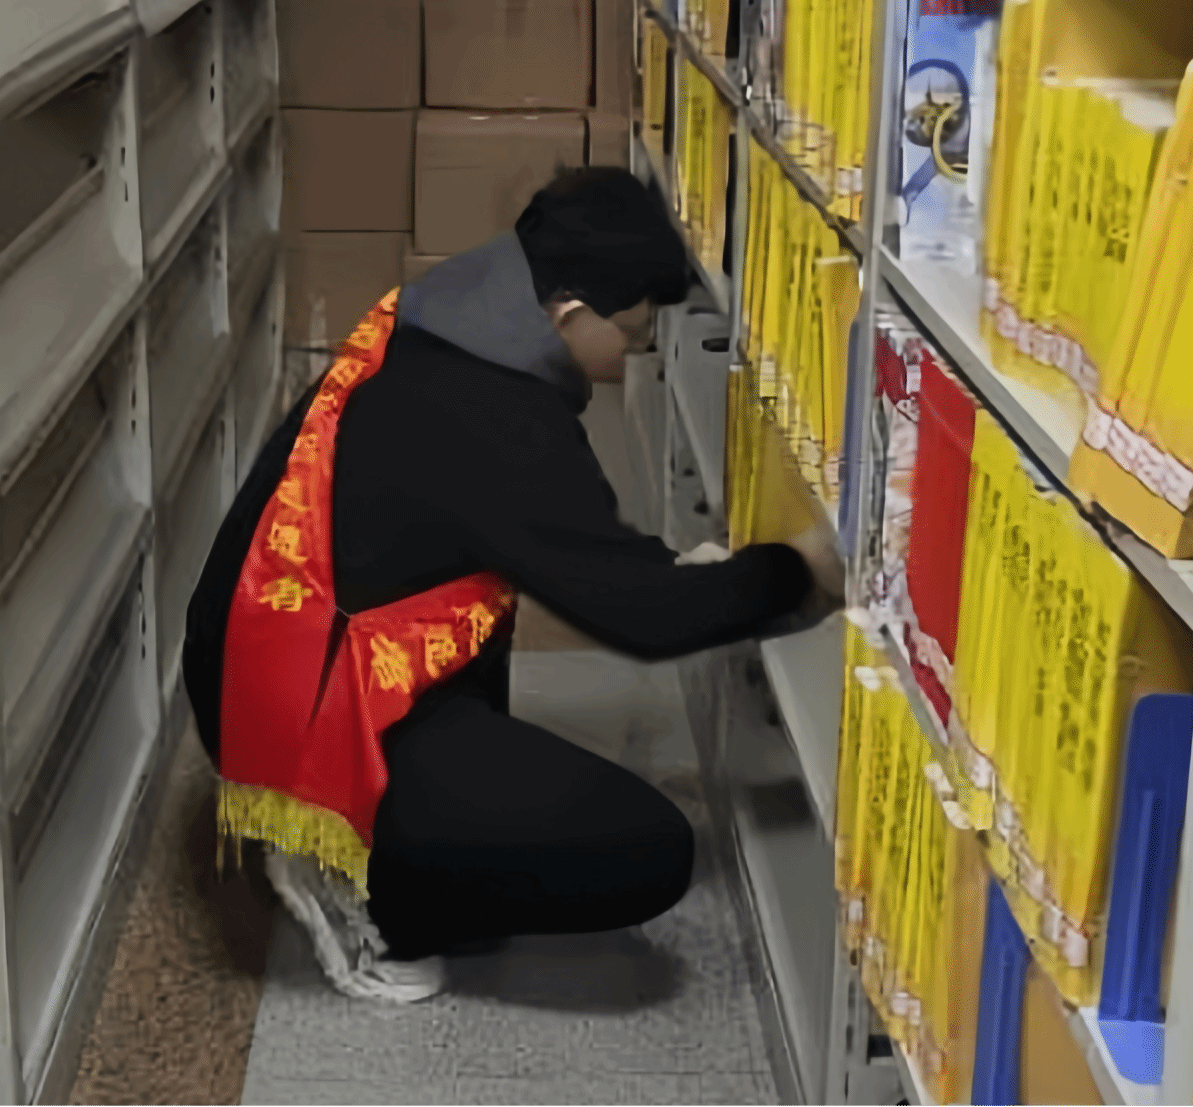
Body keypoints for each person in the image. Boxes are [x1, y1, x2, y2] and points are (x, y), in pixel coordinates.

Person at [182, 166, 842, 1003]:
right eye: (631, 332)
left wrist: (671, 574)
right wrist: (799, 573)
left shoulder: (449, 317)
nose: (636, 354)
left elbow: (562, 542)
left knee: (493, 611)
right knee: (646, 853)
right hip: (309, 708)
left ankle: (409, 831)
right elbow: (643, 619)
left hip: (266, 652)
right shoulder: (498, 413)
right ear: (570, 313)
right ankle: (371, 891)